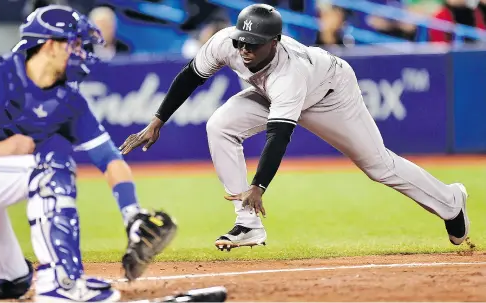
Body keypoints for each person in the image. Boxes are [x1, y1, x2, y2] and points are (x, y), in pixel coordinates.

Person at [119, 4, 469, 251]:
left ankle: (450, 201)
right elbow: (190, 77)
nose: (243, 49)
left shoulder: (289, 72)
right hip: (269, 94)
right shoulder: (228, 41)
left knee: (379, 166)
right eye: (241, 41)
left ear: (275, 42)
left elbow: (279, 135)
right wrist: (157, 121)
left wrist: (258, 185)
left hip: (329, 94)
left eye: (253, 45)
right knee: (220, 125)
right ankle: (247, 225)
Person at [0, 5, 177, 302]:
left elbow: (109, 158)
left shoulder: (68, 102)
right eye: (74, 43)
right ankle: (60, 286)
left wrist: (132, 213)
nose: (81, 51)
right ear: (50, 45)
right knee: (51, 168)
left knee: (11, 283)